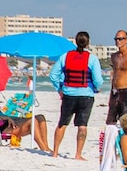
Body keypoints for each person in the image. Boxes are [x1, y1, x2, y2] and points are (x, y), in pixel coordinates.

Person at [51, 30, 105, 160]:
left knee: (62, 123)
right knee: (82, 126)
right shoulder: (92, 59)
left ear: (75, 42)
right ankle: (78, 154)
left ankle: (55, 152)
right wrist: (97, 89)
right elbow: (98, 80)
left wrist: (59, 89)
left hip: (68, 94)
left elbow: (53, 75)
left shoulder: (65, 56)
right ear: (88, 43)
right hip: (86, 96)